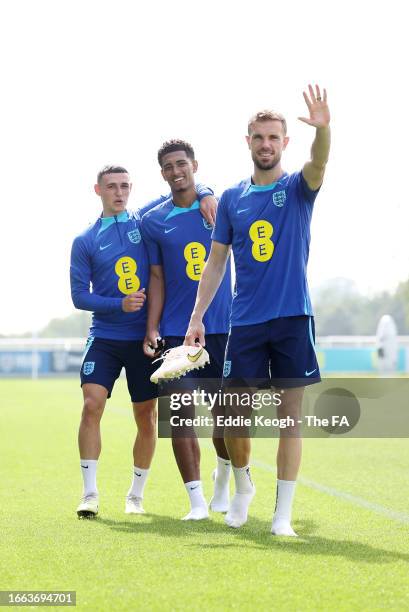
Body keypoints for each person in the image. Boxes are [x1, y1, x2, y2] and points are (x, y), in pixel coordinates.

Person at [185, 85, 331, 535]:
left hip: (291, 318)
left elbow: (319, 162)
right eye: (258, 137)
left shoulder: (297, 188)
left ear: (285, 142)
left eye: (274, 137)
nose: (266, 144)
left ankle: (282, 515)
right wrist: (196, 320)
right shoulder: (231, 199)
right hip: (244, 322)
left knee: (290, 419)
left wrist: (323, 130)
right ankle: (242, 483)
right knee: (232, 417)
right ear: (247, 141)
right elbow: (215, 263)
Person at [70, 165, 217, 518]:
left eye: (124, 186)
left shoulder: (144, 221)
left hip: (144, 339)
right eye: (111, 187)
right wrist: (116, 304)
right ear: (97, 190)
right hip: (104, 337)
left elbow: (181, 190)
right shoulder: (85, 240)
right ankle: (89, 494)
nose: (118, 193)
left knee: (147, 417)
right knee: (92, 404)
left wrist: (208, 189)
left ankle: (135, 495)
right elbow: (78, 296)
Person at [140, 140, 233, 520]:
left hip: (223, 327)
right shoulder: (152, 220)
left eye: (182, 164)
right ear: (162, 173)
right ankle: (196, 503)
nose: (176, 171)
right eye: (168, 167)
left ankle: (223, 482)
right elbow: (156, 277)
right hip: (177, 333)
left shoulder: (220, 208)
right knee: (179, 414)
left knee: (225, 416)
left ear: (195, 165)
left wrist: (209, 193)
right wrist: (152, 327)